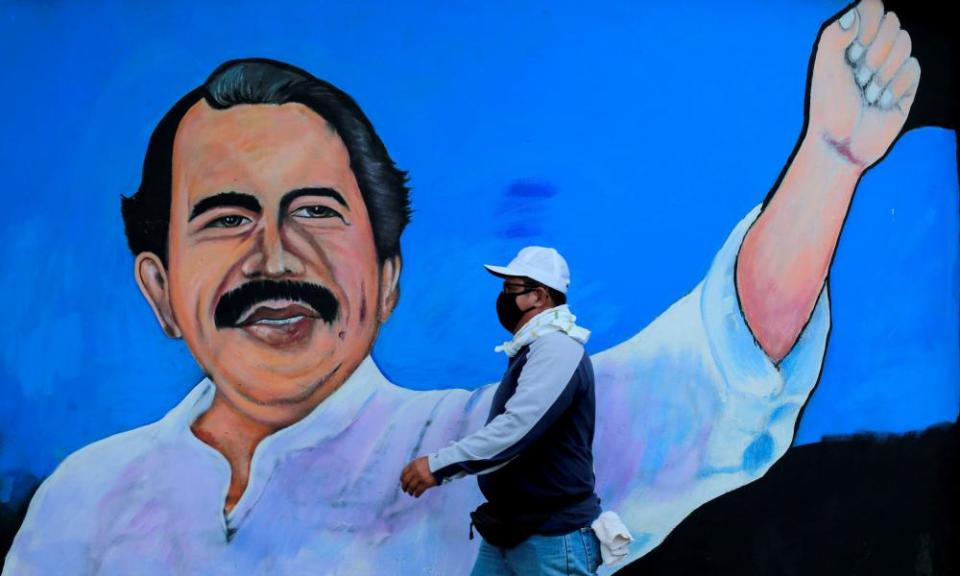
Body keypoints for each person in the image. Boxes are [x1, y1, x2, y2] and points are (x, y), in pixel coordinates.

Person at [4, 2, 920, 574]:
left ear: (387, 276)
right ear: (160, 289)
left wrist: (829, 163)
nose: (274, 254)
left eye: (317, 211)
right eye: (225, 216)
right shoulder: (83, 504)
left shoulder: (480, 445)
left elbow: (710, 381)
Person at [402, 246, 604, 574]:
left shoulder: (557, 348)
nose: (503, 297)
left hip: (551, 538)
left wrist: (439, 466)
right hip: (510, 529)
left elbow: (517, 429)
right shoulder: (534, 348)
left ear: (538, 296)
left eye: (511, 289)